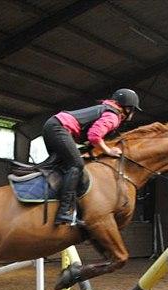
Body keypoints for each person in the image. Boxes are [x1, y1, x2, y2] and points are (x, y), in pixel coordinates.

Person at [43, 88, 142, 225]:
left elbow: (90, 139)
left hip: (53, 126)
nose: (133, 113)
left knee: (65, 166)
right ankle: (64, 212)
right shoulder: (113, 116)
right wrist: (108, 151)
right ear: (128, 108)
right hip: (59, 128)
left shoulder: (106, 109)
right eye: (133, 109)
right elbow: (94, 136)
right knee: (76, 165)